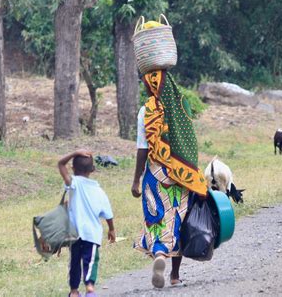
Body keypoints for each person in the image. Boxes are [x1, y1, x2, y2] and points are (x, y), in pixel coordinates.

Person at [131, 69, 208, 289]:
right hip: (181, 174)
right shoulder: (181, 106)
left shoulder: (146, 111)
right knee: (178, 220)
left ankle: (160, 254)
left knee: (157, 219)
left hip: (156, 174)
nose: (145, 87)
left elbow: (142, 148)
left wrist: (136, 179)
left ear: (152, 85)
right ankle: (174, 275)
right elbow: (189, 142)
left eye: (146, 83)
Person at [58, 149, 116, 297]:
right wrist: (111, 230)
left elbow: (60, 164)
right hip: (92, 233)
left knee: (74, 262)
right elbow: (108, 214)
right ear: (93, 169)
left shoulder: (73, 183)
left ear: (73, 169)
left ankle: (74, 291)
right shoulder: (99, 191)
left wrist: (73, 153)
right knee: (90, 261)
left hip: (75, 232)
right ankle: (89, 287)